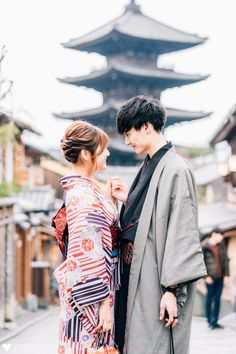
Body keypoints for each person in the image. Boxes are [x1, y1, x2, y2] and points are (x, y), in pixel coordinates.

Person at [110, 96, 207, 354]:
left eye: (129, 133)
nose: (127, 141)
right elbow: (149, 216)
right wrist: (128, 200)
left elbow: (181, 230)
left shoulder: (176, 169)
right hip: (135, 275)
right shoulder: (151, 164)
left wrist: (172, 290)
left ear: (147, 126)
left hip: (156, 280)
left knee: (153, 343)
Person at [53, 121, 119, 354]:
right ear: (85, 154)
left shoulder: (87, 190)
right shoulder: (83, 194)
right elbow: (88, 251)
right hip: (90, 294)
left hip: (90, 288)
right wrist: (103, 304)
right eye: (103, 148)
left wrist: (110, 202)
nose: (108, 153)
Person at [201, 227, 230, 329]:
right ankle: (209, 320)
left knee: (217, 299)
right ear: (213, 234)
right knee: (209, 299)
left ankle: (215, 321)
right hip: (210, 278)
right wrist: (205, 277)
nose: (221, 237)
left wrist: (227, 275)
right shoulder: (204, 246)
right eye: (220, 235)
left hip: (220, 277)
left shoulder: (221, 245)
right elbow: (200, 263)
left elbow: (225, 260)